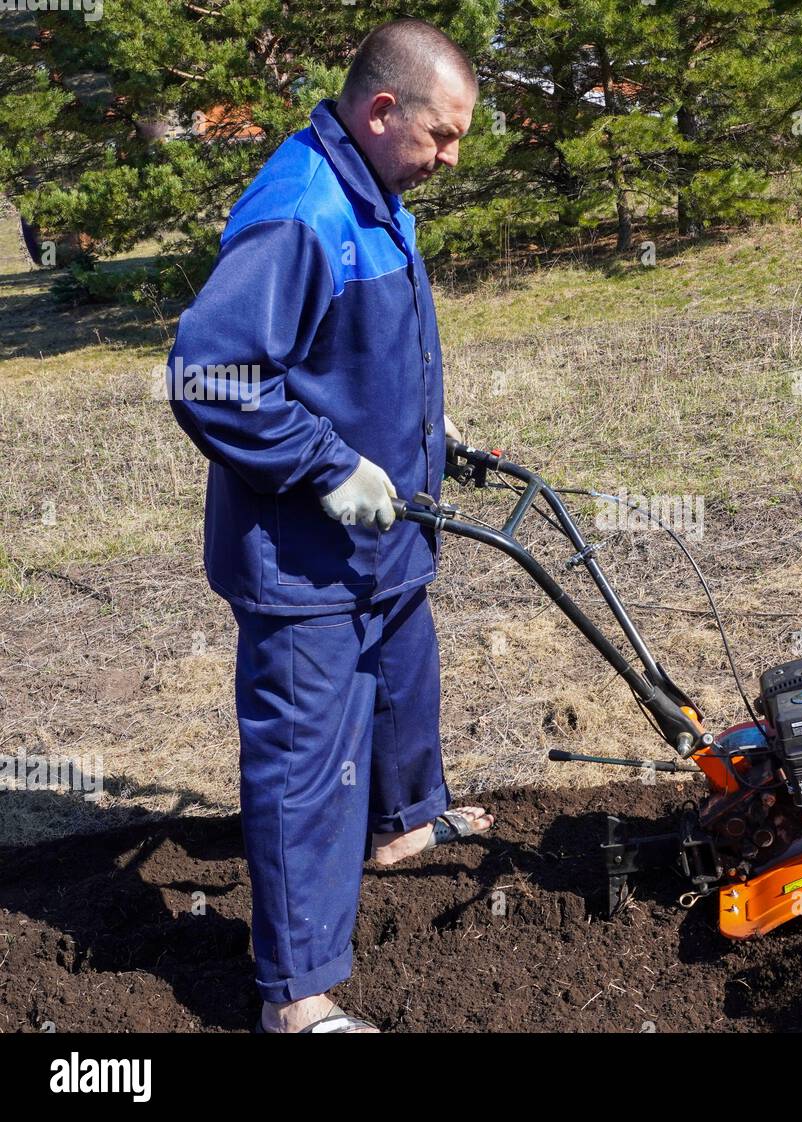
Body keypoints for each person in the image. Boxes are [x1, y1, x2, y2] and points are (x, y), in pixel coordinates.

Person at [167, 18, 491, 1034]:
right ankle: (296, 997)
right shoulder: (302, 208)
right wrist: (329, 465)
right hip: (304, 559)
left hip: (381, 540)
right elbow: (209, 378)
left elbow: (348, 345)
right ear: (381, 109)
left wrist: (422, 423)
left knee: (404, 682)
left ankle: (396, 827)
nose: (451, 159)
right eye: (441, 136)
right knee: (308, 765)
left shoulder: (378, 189)